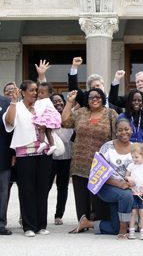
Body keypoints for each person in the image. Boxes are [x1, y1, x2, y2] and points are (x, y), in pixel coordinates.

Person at [3, 80, 52, 237]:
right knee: (27, 190)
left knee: (42, 189)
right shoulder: (16, 107)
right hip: (25, 154)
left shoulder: (40, 106)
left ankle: (41, 225)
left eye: (36, 90)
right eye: (31, 90)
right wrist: (13, 101)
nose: (35, 93)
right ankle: (29, 226)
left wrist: (42, 75)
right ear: (23, 92)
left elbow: (50, 111)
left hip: (43, 153)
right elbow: (9, 122)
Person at [61, 88, 118, 225]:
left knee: (99, 198)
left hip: (101, 163)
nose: (95, 99)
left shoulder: (111, 114)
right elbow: (64, 122)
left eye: (98, 97)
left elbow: (115, 137)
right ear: (87, 100)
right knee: (81, 197)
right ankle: (82, 222)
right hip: (79, 162)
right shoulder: (81, 113)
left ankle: (98, 224)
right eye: (91, 97)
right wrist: (69, 102)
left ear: (103, 98)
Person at [70, 118, 134, 239]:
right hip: (106, 186)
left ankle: (87, 223)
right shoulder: (108, 147)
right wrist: (119, 184)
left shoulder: (135, 147)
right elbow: (99, 173)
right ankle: (123, 229)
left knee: (113, 228)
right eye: (120, 130)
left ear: (131, 130)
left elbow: (141, 169)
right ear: (116, 132)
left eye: (126, 129)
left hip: (126, 187)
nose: (124, 132)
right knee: (126, 196)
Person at [48, 93, 73, 225]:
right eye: (55, 101)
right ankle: (40, 213)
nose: (58, 103)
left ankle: (59, 215)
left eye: (60, 101)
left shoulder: (70, 116)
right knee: (45, 187)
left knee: (63, 187)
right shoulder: (48, 116)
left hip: (67, 158)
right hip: (51, 158)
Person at [118, 89, 143, 165]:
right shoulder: (122, 117)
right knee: (129, 176)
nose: (137, 102)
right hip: (128, 153)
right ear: (129, 102)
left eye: (139, 100)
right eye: (134, 100)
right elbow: (117, 137)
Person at [33, 82, 61, 155]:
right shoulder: (48, 100)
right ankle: (52, 145)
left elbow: (39, 110)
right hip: (50, 119)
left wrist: (36, 117)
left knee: (41, 130)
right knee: (48, 132)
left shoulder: (43, 101)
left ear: (49, 94)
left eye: (42, 93)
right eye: (38, 92)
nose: (39, 94)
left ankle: (42, 143)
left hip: (45, 118)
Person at [0, 91, 13, 235]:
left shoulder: (6, 103)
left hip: (3, 155)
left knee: (3, 192)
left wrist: (13, 153)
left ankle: (1, 224)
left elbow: (12, 130)